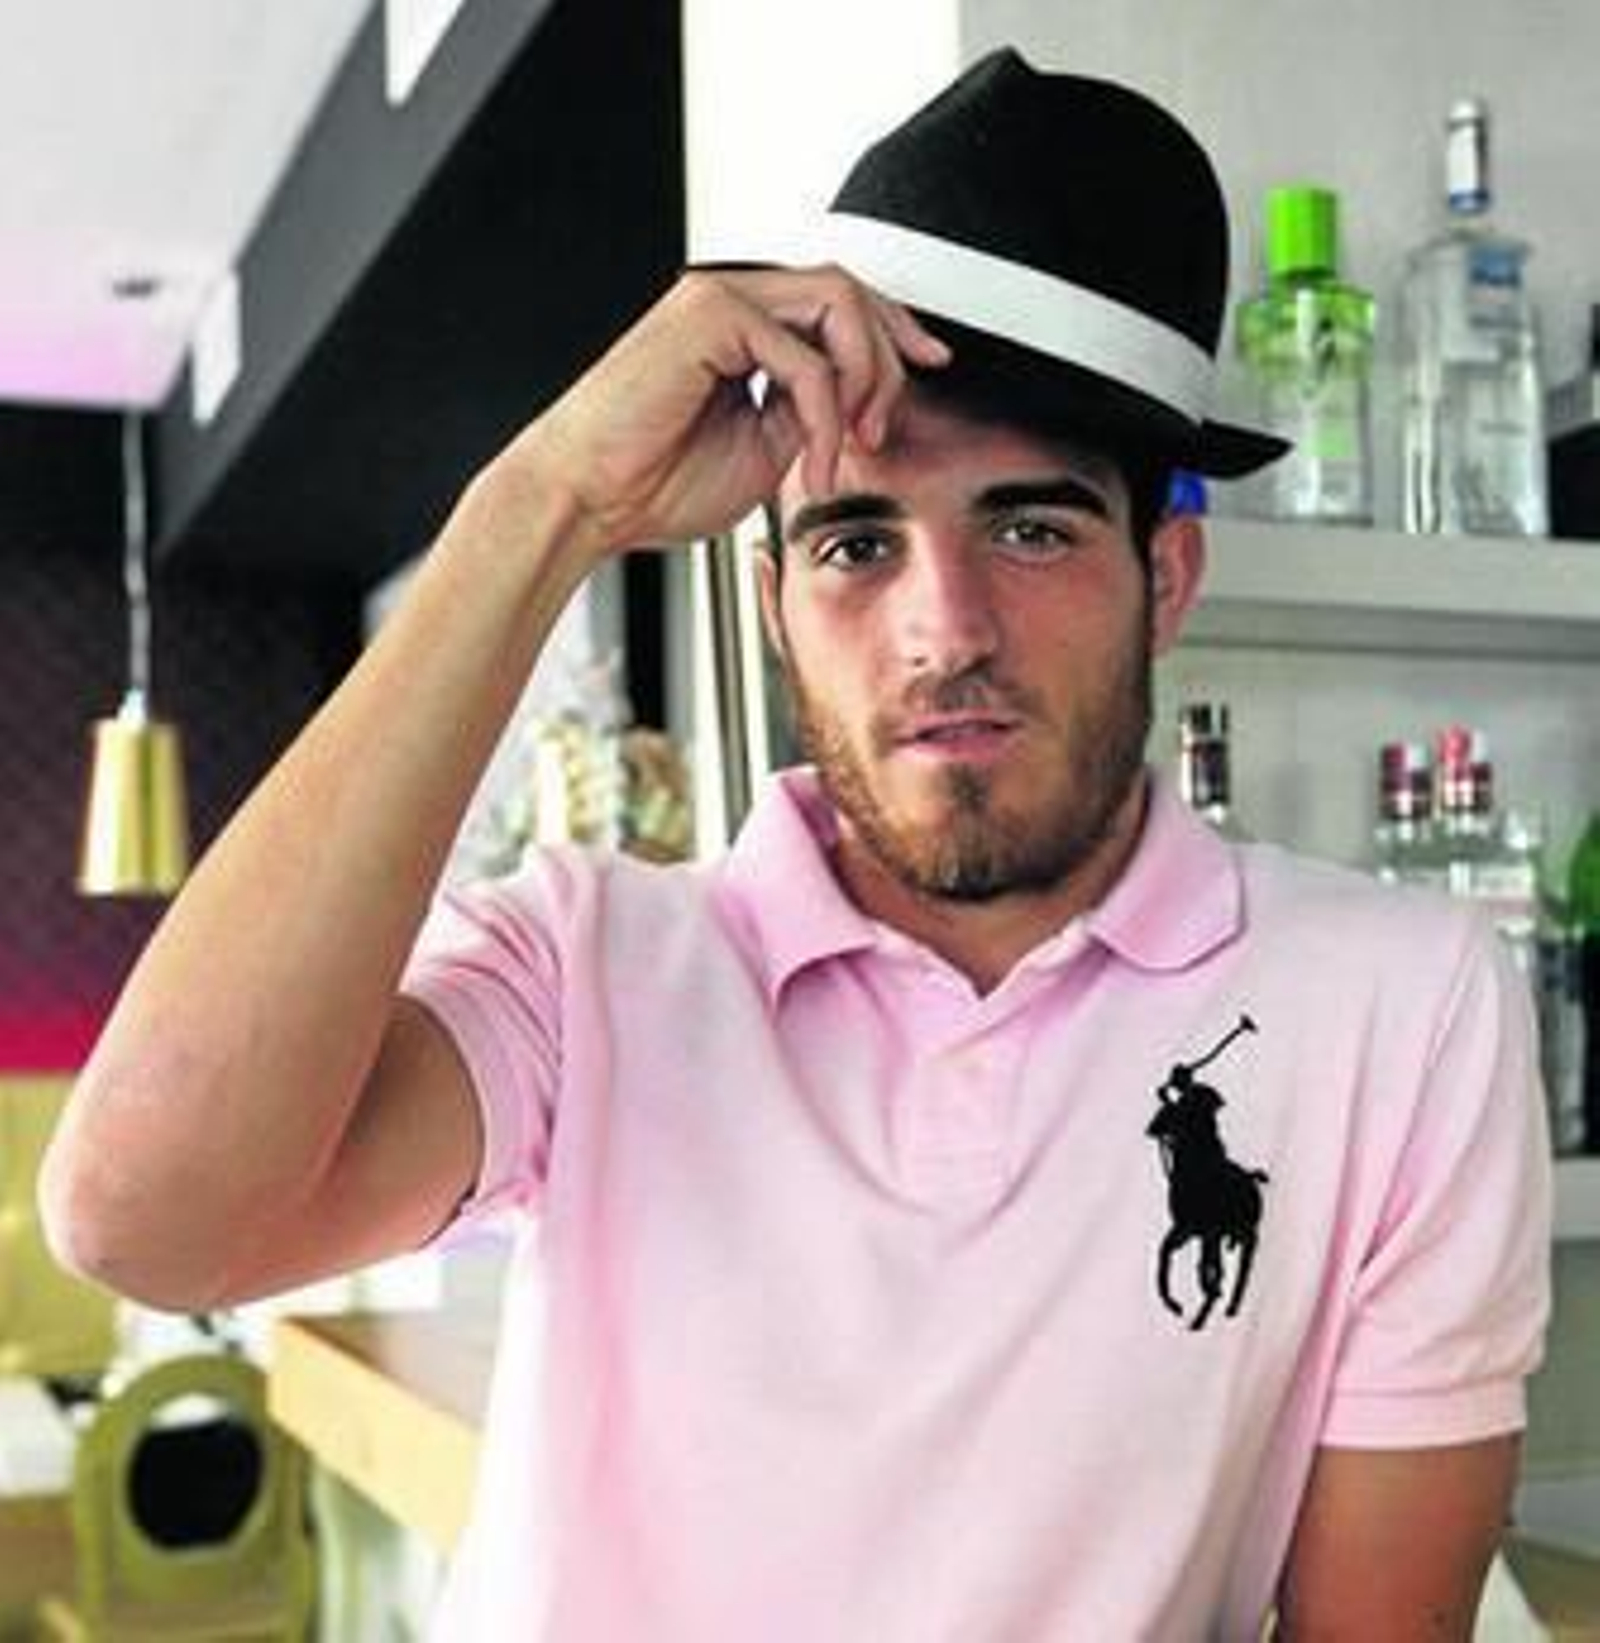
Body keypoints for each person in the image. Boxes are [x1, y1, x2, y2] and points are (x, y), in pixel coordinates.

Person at [41, 48, 1550, 1639]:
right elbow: (145, 1217)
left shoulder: (1399, 1006)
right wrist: (542, 505)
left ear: (1165, 577)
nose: (944, 630)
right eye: (856, 542)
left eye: (1031, 527)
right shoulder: (587, 966)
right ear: (774, 606)